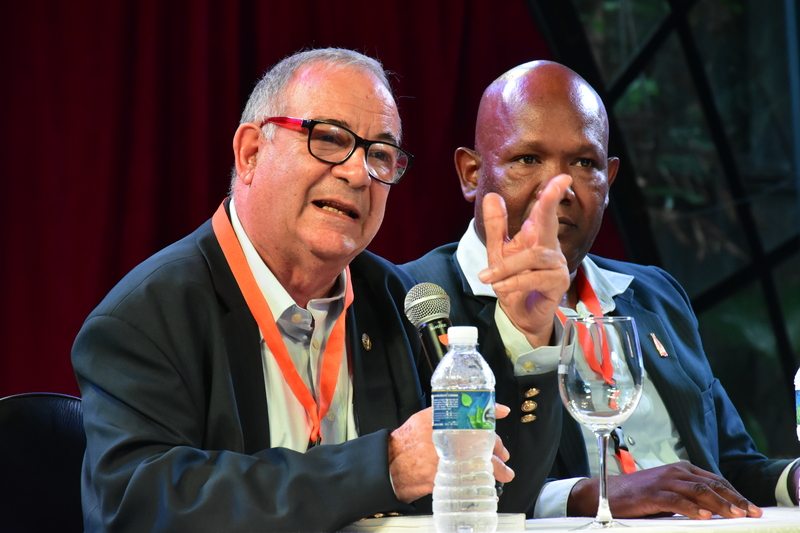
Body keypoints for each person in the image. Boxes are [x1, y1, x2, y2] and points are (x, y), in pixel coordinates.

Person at [71, 48, 515, 533]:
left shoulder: (398, 299)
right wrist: (383, 466)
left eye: (380, 155)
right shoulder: (145, 319)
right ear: (251, 154)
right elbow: (142, 506)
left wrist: (529, 331)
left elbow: (496, 489)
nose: (356, 173)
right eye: (328, 139)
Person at [402, 59, 800, 519]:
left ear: (608, 182)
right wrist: (597, 494)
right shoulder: (417, 298)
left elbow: (728, 468)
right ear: (472, 174)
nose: (559, 187)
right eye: (528, 158)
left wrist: (790, 480)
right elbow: (439, 489)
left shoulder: (655, 294)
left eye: (584, 163)